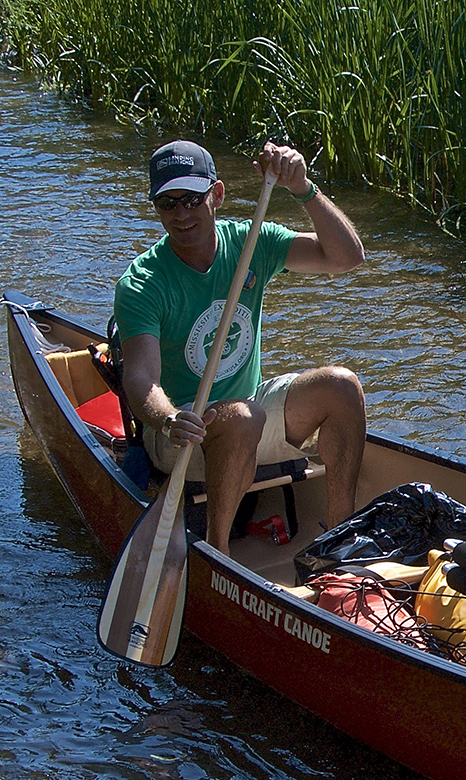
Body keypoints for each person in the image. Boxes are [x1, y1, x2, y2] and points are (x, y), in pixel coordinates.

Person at [114, 139, 367, 550]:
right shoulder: (142, 283)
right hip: (181, 436)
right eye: (168, 203)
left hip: (249, 409)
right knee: (242, 417)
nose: (181, 215)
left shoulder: (251, 242)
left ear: (216, 195)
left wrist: (304, 189)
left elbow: (346, 258)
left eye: (192, 200)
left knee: (341, 386)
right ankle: (220, 555)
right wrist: (168, 419)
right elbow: (141, 379)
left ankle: (339, 545)